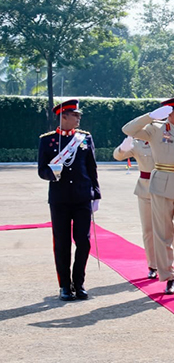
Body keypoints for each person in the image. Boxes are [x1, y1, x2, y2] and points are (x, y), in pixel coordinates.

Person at [122, 95, 174, 297]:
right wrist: (150, 116)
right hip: (161, 186)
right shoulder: (155, 129)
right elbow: (128, 130)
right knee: (164, 235)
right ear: (169, 113)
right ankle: (169, 277)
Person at [38, 99, 101, 301]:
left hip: (82, 196)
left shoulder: (85, 138)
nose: (79, 118)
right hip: (60, 199)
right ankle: (65, 285)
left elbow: (92, 167)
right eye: (75, 115)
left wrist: (96, 193)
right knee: (62, 243)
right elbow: (42, 170)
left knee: (84, 242)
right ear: (63, 116)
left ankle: (79, 282)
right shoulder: (47, 140)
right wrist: (52, 173)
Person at [113, 136, 157, 279]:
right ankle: (153, 265)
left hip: (167, 189)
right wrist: (124, 147)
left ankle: (166, 264)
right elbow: (117, 156)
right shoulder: (138, 144)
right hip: (145, 190)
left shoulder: (165, 139)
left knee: (167, 230)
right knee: (148, 230)